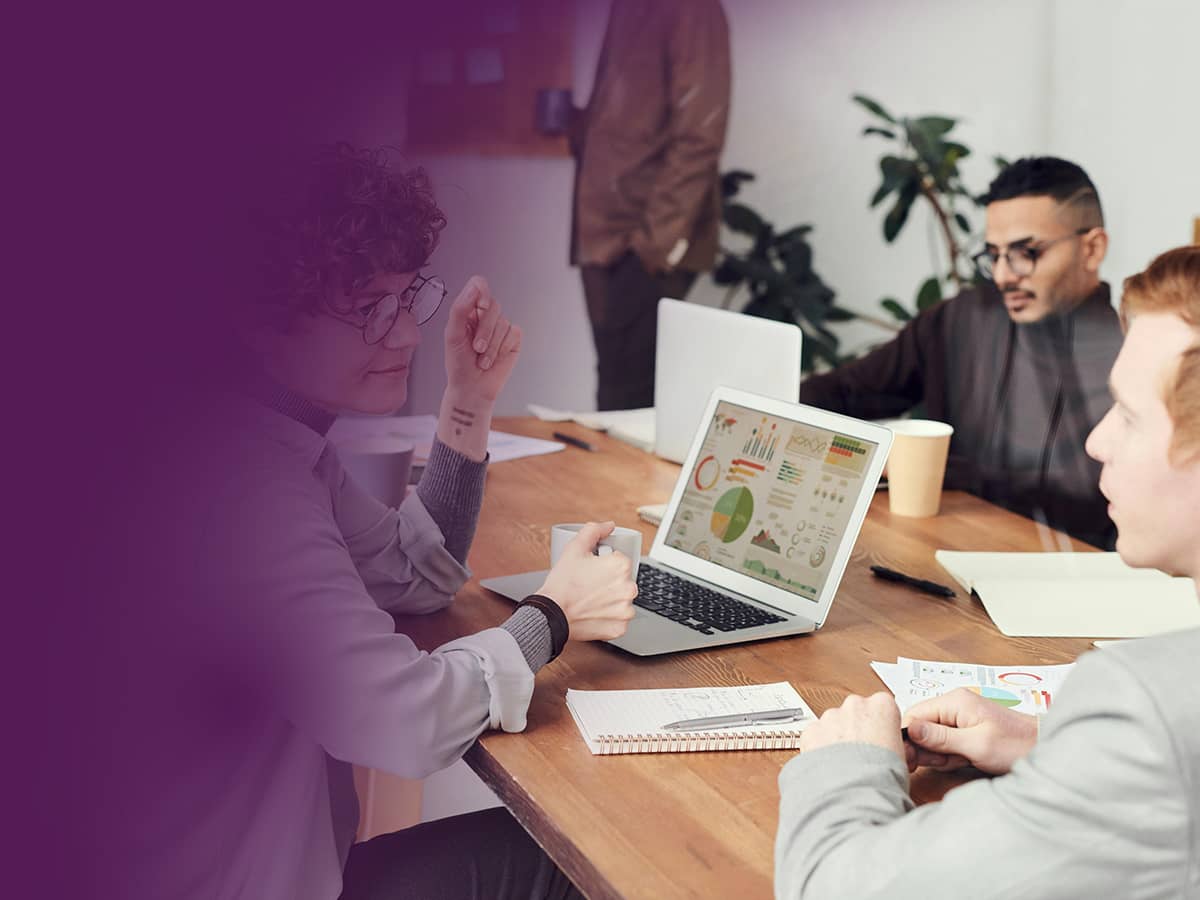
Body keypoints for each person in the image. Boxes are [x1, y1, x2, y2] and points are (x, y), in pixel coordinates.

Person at [133, 144, 638, 900]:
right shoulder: (245, 494)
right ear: (258, 321)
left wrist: (467, 401)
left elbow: (413, 575)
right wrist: (553, 617)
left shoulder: (262, 440)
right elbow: (409, 724)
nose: (404, 334)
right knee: (598, 855)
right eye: (369, 309)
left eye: (407, 297)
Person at [775, 245, 1200, 899]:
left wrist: (849, 765)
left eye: (1131, 416)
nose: (1098, 441)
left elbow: (837, 887)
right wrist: (1053, 748)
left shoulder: (1148, 706)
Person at [801, 157, 1122, 548]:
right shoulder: (963, 319)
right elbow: (847, 392)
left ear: (1092, 249)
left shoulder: (1134, 354)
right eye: (994, 255)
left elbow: (1093, 501)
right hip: (934, 555)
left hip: (1075, 581)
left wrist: (949, 474)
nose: (1004, 275)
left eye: (1026, 253)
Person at [570, 0, 731, 411]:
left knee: (629, 402)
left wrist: (655, 245)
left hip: (644, 240)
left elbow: (700, 135)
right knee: (613, 399)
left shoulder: (690, 10)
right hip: (602, 236)